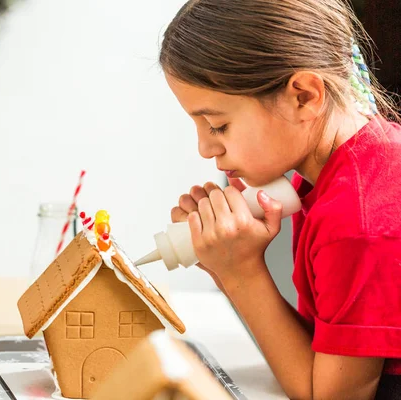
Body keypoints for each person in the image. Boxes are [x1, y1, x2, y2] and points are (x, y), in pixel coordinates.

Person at [161, 1, 401, 399]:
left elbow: (330, 396)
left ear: (304, 97)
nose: (205, 149)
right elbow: (324, 351)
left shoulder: (358, 221)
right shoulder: (358, 165)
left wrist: (241, 273)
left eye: (218, 125)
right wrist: (224, 262)